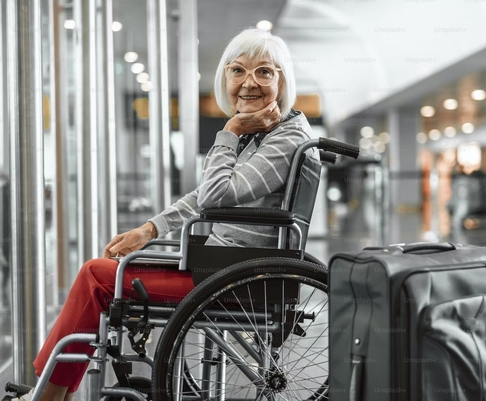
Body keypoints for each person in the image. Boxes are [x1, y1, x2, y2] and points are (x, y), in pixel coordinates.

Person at [13, 27, 316, 401]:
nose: (248, 83)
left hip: (233, 276)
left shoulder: (284, 137)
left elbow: (216, 193)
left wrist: (230, 131)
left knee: (97, 277)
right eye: (238, 70)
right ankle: (53, 392)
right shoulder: (272, 133)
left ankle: (48, 397)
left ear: (283, 80)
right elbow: (207, 199)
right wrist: (150, 229)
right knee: (104, 271)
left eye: (264, 72)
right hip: (225, 268)